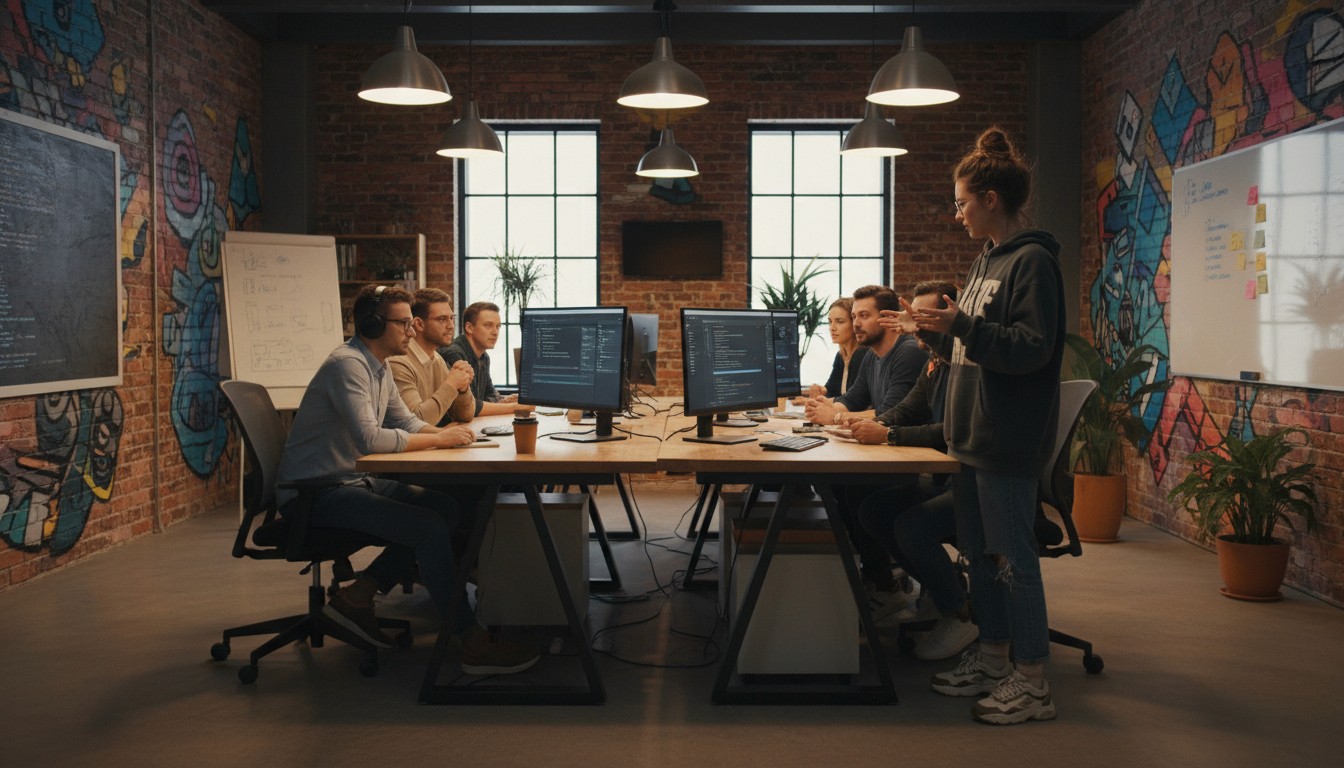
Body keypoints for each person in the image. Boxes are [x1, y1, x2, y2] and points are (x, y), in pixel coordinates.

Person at [884, 127, 1066, 725]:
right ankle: (992, 658)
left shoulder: (1033, 261)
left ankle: (1033, 679)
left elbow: (1031, 349)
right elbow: (974, 340)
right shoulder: (987, 257)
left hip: (1004, 441)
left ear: (991, 198)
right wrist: (935, 326)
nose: (955, 211)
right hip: (968, 437)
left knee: (1014, 559)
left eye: (962, 201)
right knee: (981, 560)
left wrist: (960, 325)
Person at [277, 284, 539, 675]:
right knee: (430, 528)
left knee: (445, 506)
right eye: (402, 323)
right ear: (372, 325)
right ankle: (470, 640)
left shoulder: (378, 364)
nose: (411, 331)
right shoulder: (348, 365)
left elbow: (405, 421)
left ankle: (359, 595)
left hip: (350, 481)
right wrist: (441, 440)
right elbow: (369, 438)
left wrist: (452, 438)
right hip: (317, 491)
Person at [850, 282, 978, 662]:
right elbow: (905, 410)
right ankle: (947, 592)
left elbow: (949, 430)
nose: (913, 328)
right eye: (912, 319)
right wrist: (856, 428)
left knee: (910, 525)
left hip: (975, 484)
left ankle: (959, 612)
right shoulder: (934, 363)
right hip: (944, 478)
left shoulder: (966, 366)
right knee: (872, 509)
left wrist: (887, 433)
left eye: (923, 320)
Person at [804, 285, 925, 427]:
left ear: (889, 317)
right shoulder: (871, 356)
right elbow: (852, 400)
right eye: (854, 317)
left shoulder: (909, 352)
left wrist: (836, 417)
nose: (856, 324)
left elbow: (890, 412)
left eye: (864, 316)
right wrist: (821, 407)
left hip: (916, 447)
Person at [388, 288, 476, 427]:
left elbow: (465, 416)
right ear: (419, 324)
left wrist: (463, 388)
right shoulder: (398, 362)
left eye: (452, 318)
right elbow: (415, 423)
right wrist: (452, 383)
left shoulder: (437, 359)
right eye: (442, 319)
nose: (451, 326)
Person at [440, 301, 531, 418]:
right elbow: (471, 406)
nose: (495, 332)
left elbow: (490, 396)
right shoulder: (455, 354)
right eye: (488, 325)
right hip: (447, 429)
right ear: (469, 328)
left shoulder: (484, 357)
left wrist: (507, 400)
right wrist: (516, 407)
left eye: (498, 326)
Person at [798, 297, 870, 401]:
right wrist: (821, 390)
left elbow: (854, 401)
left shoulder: (863, 354)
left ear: (855, 323)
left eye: (839, 322)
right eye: (830, 321)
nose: (832, 327)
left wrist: (815, 401)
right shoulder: (841, 356)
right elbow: (831, 391)